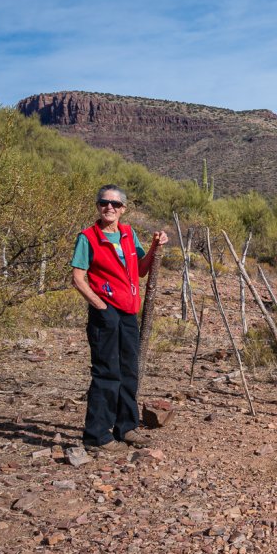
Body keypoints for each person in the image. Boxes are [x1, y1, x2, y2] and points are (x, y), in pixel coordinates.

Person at [71, 184, 169, 455]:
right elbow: (78, 278)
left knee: (128, 370)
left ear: (123, 209)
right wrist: (100, 305)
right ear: (98, 206)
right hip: (106, 313)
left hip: (128, 312)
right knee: (106, 372)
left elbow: (140, 269)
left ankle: (125, 427)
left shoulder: (128, 234)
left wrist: (153, 247)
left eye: (115, 204)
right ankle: (97, 435)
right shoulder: (88, 237)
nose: (109, 207)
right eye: (104, 202)